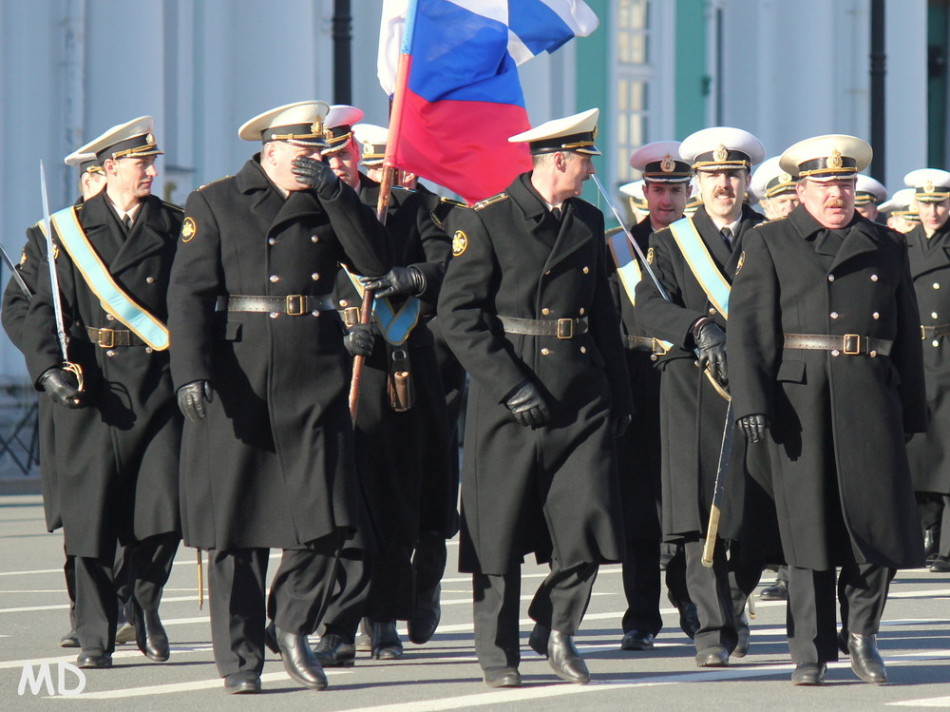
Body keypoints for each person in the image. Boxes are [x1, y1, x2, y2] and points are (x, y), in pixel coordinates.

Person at [167, 100, 392, 694]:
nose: (313, 163)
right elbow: (188, 295)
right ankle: (239, 660)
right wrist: (190, 372)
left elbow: (374, 264)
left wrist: (341, 197)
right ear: (270, 151)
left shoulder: (327, 198)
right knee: (234, 530)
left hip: (315, 369)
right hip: (240, 372)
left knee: (328, 515)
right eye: (303, 153)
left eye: (320, 153)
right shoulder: (215, 201)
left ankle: (291, 624)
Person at [438, 108, 633, 688]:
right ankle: (498, 654)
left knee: (588, 521)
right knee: (498, 532)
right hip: (510, 399)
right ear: (559, 161)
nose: (588, 172)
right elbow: (460, 318)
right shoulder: (486, 221)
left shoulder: (587, 220)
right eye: (584, 162)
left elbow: (605, 316)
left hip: (580, 395)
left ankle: (559, 628)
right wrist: (510, 385)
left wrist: (619, 395)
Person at [730, 134, 926, 685]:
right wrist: (753, 401)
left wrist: (913, 406)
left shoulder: (886, 243)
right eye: (825, 184)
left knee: (876, 524)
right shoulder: (770, 241)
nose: (837, 194)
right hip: (799, 400)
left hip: (869, 393)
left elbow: (906, 330)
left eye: (845, 183)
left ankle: (862, 636)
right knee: (807, 529)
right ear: (801, 190)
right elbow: (749, 333)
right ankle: (810, 652)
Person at [19, 117, 183, 669]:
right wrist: (47, 370)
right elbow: (32, 311)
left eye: (152, 163)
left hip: (157, 388)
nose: (152, 172)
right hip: (89, 389)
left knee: (166, 512)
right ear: (109, 168)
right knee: (90, 522)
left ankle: (143, 599)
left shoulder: (176, 227)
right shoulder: (58, 234)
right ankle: (94, 633)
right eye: (141, 164)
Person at [310, 106, 453, 665]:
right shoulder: (301, 212)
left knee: (393, 505)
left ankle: (382, 618)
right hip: (330, 373)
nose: (335, 163)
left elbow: (447, 264)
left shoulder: (404, 205)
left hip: (396, 375)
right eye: (323, 155)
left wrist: (408, 277)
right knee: (340, 507)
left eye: (343, 152)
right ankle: (336, 621)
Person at [635, 126, 769, 668]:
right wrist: (697, 326)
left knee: (755, 513)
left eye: (733, 176)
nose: (723, 185)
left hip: (758, 388)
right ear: (698, 184)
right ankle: (712, 631)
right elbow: (648, 305)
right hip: (693, 389)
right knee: (699, 518)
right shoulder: (671, 242)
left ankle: (735, 604)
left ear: (746, 181)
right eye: (713, 176)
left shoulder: (772, 236)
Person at [606, 141, 699, 651]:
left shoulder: (701, 245)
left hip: (687, 381)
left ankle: (688, 600)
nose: (666, 199)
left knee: (686, 497)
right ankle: (640, 615)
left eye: (676, 190)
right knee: (638, 503)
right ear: (644, 192)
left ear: (690, 192)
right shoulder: (617, 247)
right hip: (635, 378)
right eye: (658, 189)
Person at [901, 169, 950, 572]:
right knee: (916, 450)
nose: (933, 211)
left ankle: (947, 545)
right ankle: (920, 533)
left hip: (948, 355)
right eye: (927, 203)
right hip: (914, 351)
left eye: (940, 202)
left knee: (947, 455)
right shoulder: (902, 245)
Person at [750, 156, 799, 221]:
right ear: (768, 206)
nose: (789, 209)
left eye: (794, 201)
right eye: (782, 201)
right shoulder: (755, 231)